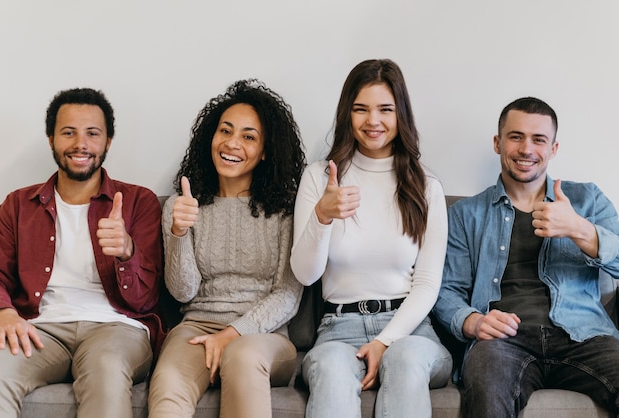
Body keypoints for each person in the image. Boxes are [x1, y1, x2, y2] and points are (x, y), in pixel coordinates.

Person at [432, 96, 619, 417]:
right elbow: (446, 290)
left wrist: (580, 229)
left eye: (539, 139)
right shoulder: (465, 214)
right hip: (503, 343)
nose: (526, 149)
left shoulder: (586, 199)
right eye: (516, 136)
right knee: (488, 388)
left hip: (585, 336)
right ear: (498, 143)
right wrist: (473, 321)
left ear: (554, 149)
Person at [290, 58, 453, 418]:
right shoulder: (320, 177)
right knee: (331, 369)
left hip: (412, 331)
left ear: (401, 115)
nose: (373, 121)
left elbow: (427, 284)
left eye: (385, 109)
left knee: (405, 360)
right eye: (360, 109)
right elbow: (305, 275)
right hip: (338, 329)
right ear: (347, 114)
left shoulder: (425, 187)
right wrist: (322, 216)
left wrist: (385, 341)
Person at [0, 88, 165, 418]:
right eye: (68, 132)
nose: (80, 144)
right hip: (40, 326)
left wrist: (127, 252)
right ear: (51, 139)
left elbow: (145, 299)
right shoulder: (18, 205)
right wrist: (3, 312)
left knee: (107, 369)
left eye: (92, 133)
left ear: (108, 142)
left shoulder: (138, 202)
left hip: (117, 327)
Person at [148, 79, 306, 418]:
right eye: (225, 131)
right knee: (168, 388)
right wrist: (178, 232)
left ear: (265, 150)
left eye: (248, 136)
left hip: (265, 336)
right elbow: (182, 291)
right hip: (197, 325)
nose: (232, 143)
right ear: (211, 138)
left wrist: (234, 333)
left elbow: (288, 295)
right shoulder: (182, 205)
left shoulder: (285, 212)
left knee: (242, 356)